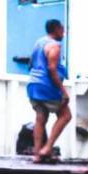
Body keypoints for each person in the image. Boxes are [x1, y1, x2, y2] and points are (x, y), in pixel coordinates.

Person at [27, 19, 72, 164]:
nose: (64, 33)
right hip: (47, 86)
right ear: (56, 29)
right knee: (65, 115)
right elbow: (52, 69)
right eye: (62, 29)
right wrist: (63, 90)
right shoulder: (54, 46)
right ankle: (47, 148)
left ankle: (37, 154)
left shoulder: (39, 42)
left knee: (41, 118)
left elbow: (30, 63)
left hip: (33, 85)